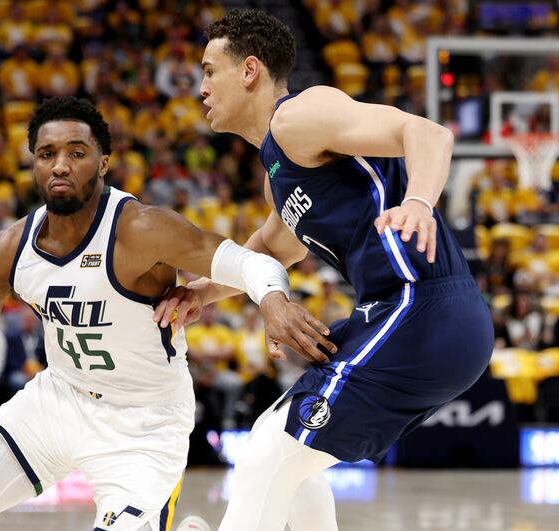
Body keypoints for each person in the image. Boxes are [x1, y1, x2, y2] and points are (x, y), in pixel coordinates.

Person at [0, 96, 330, 531]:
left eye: (76, 152)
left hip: (145, 423)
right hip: (57, 403)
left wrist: (271, 299)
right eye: (47, 153)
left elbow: (250, 261)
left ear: (103, 162)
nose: (61, 164)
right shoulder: (8, 250)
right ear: (33, 162)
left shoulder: (141, 229)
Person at [154, 10, 494, 531]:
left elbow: (427, 132)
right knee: (291, 450)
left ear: (249, 71)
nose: (199, 86)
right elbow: (272, 248)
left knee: (269, 450)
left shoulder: (299, 116)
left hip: (421, 305)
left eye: (208, 70)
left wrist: (420, 202)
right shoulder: (277, 172)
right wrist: (200, 293)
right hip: (401, 314)